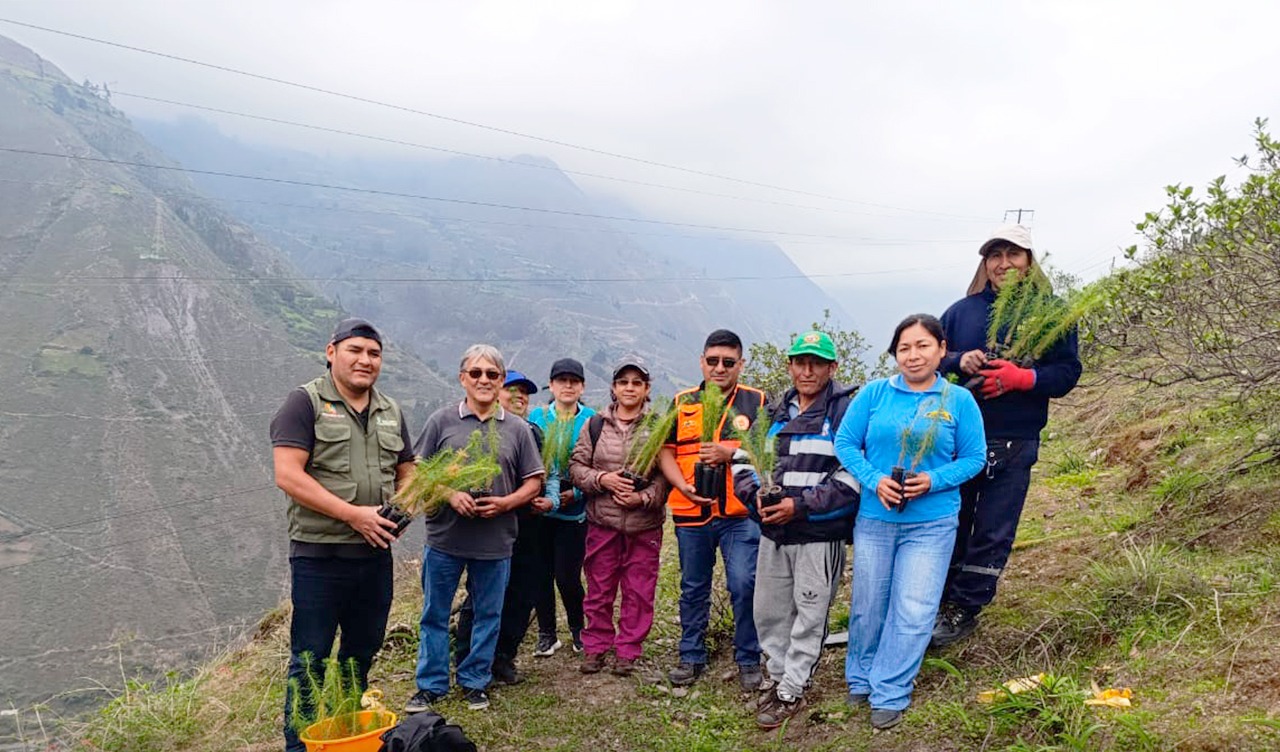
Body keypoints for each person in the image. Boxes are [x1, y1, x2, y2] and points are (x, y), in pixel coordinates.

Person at [931, 225, 1082, 648]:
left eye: (1012, 254)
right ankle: (937, 597)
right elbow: (932, 357)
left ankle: (966, 606)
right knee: (951, 519)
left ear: (1029, 261)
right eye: (994, 255)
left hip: (1016, 436)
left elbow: (1067, 372)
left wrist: (1023, 378)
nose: (1003, 264)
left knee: (994, 527)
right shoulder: (962, 312)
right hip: (957, 437)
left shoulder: (1052, 312)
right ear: (985, 263)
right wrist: (962, 358)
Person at [834, 314, 986, 730]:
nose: (913, 355)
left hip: (932, 524)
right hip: (875, 519)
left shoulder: (957, 401)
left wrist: (932, 481)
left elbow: (974, 458)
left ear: (941, 349)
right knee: (868, 605)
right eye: (904, 347)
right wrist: (874, 481)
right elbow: (845, 443)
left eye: (922, 345)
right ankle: (861, 677)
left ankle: (890, 689)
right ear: (894, 353)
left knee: (915, 608)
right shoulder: (874, 394)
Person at [269, 318, 414, 752]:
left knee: (360, 656)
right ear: (331, 351)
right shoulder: (304, 403)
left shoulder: (390, 410)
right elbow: (287, 474)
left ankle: (346, 738)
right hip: (319, 558)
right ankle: (301, 745)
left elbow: (408, 470)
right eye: (355, 350)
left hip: (373, 556)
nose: (365, 360)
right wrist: (354, 515)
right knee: (310, 660)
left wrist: (401, 509)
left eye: (374, 353)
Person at [732, 331, 861, 729]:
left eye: (816, 363)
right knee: (768, 610)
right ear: (789, 366)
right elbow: (743, 459)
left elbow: (851, 476)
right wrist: (753, 497)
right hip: (773, 532)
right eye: (800, 362)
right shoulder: (773, 411)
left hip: (817, 534)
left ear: (831, 368)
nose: (807, 370)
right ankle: (776, 675)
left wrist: (799, 506)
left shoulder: (844, 413)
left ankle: (793, 687)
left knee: (810, 612)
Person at [407, 345, 545, 713]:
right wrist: (450, 494)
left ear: (501, 382)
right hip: (445, 538)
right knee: (435, 613)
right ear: (462, 378)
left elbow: (534, 482)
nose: (484, 380)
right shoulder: (441, 421)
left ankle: (474, 681)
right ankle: (431, 685)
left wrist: (506, 503)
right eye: (477, 373)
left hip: (496, 540)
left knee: (488, 614)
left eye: (492, 374)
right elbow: (417, 471)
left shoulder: (517, 429)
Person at [659, 329, 767, 690]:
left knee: (744, 583)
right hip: (692, 513)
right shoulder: (682, 401)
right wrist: (681, 485)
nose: (719, 368)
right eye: (712, 361)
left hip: (739, 514)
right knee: (693, 586)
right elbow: (665, 450)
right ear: (702, 361)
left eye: (728, 362)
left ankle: (749, 658)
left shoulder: (757, 402)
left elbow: (771, 454)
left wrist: (731, 453)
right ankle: (691, 656)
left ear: (741, 364)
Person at [453, 370, 559, 686]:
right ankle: (467, 660)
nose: (519, 397)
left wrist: (550, 499)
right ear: (497, 392)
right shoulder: (480, 430)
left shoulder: (534, 432)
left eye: (525, 393)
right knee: (482, 593)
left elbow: (548, 473)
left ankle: (503, 658)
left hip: (528, 524)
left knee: (522, 592)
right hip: (490, 524)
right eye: (512, 391)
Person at [569, 357, 667, 676]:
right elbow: (577, 466)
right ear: (614, 388)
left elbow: (665, 477)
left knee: (639, 590)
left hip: (644, 526)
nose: (629, 388)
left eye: (636, 383)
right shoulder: (595, 425)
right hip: (603, 523)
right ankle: (596, 646)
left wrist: (642, 498)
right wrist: (603, 480)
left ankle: (628, 649)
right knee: (599, 587)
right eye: (623, 382)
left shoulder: (658, 427)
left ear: (646, 389)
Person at [528, 358, 596, 656]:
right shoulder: (538, 417)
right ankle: (546, 633)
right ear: (552, 386)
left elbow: (599, 463)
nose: (568, 386)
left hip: (575, 512)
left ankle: (578, 629)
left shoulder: (593, 420)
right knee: (540, 573)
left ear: (582, 387)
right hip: (539, 510)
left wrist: (577, 493)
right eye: (561, 380)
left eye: (574, 381)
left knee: (568, 575)